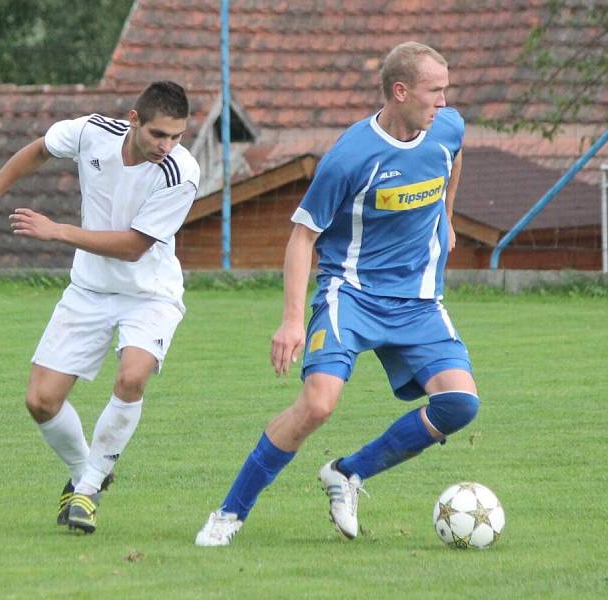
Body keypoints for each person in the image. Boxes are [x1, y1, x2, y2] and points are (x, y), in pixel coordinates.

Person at [195, 42, 478, 546]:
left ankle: (349, 473)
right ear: (400, 91)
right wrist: (291, 321)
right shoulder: (350, 157)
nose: (444, 103)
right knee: (318, 406)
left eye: (446, 91)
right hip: (352, 297)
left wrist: (449, 216)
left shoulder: (446, 129)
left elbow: (454, 157)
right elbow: (302, 236)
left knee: (460, 404)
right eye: (435, 92)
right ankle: (229, 513)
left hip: (418, 302)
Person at [0, 81, 200, 534]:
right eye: (158, 134)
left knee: (133, 375)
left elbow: (134, 247)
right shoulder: (92, 131)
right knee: (40, 401)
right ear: (134, 120)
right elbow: (38, 149)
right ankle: (85, 474)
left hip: (149, 294)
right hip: (89, 291)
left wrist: (59, 232)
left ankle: (88, 489)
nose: (167, 146)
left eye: (176, 136)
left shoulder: (180, 172)